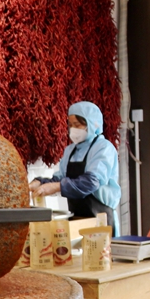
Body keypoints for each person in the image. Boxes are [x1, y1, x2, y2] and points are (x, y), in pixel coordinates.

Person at [31, 101, 121, 236]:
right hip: (77, 220)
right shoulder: (70, 150)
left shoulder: (104, 148)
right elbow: (60, 178)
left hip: (100, 220)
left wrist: (56, 187)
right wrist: (40, 182)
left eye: (77, 125)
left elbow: (90, 182)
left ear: (93, 124)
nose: (73, 129)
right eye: (70, 125)